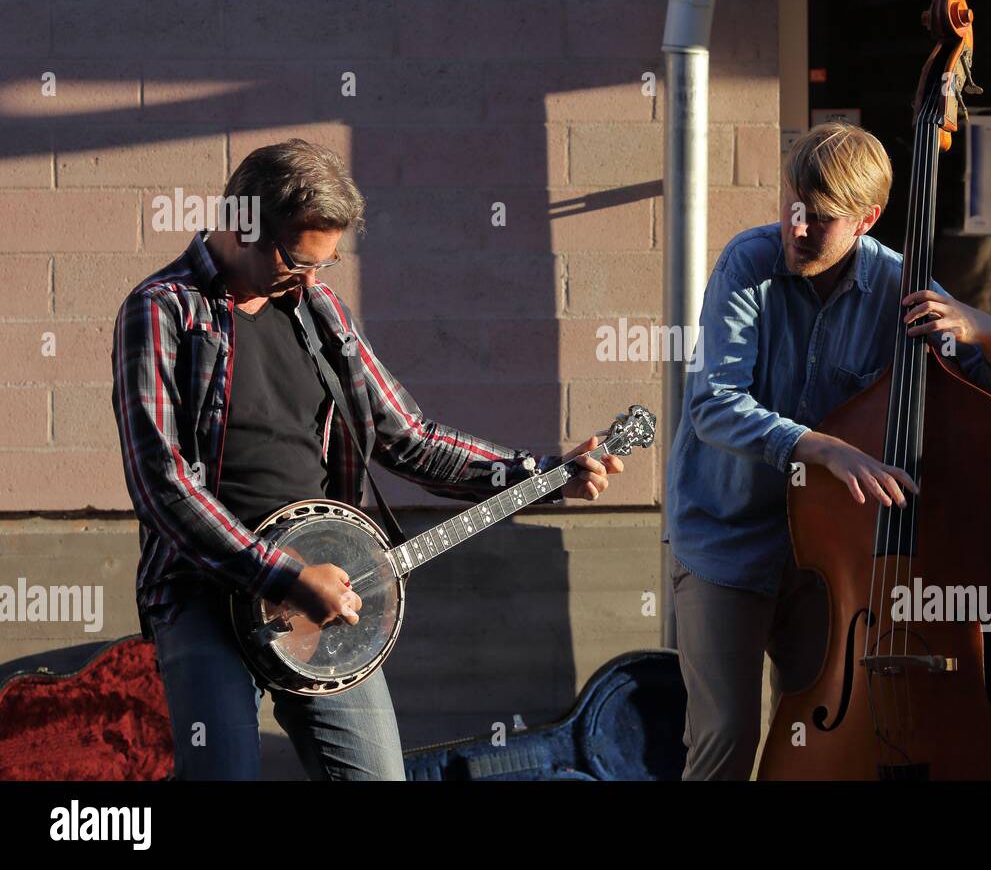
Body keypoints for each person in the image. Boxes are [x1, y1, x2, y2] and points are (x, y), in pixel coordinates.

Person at [111, 138, 623, 780]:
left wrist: (543, 476)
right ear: (244, 224)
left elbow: (408, 436)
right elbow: (161, 482)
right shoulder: (162, 310)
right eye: (299, 260)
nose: (313, 280)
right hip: (203, 592)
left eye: (322, 264)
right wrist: (283, 574)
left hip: (323, 597)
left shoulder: (319, 311)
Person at [663, 121, 991, 780]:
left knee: (819, 735)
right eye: (793, 208)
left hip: (831, 557)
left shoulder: (899, 284)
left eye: (823, 218)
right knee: (725, 730)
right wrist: (824, 449)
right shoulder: (746, 263)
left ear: (867, 219)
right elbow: (712, 405)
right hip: (725, 539)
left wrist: (987, 335)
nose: (798, 229)